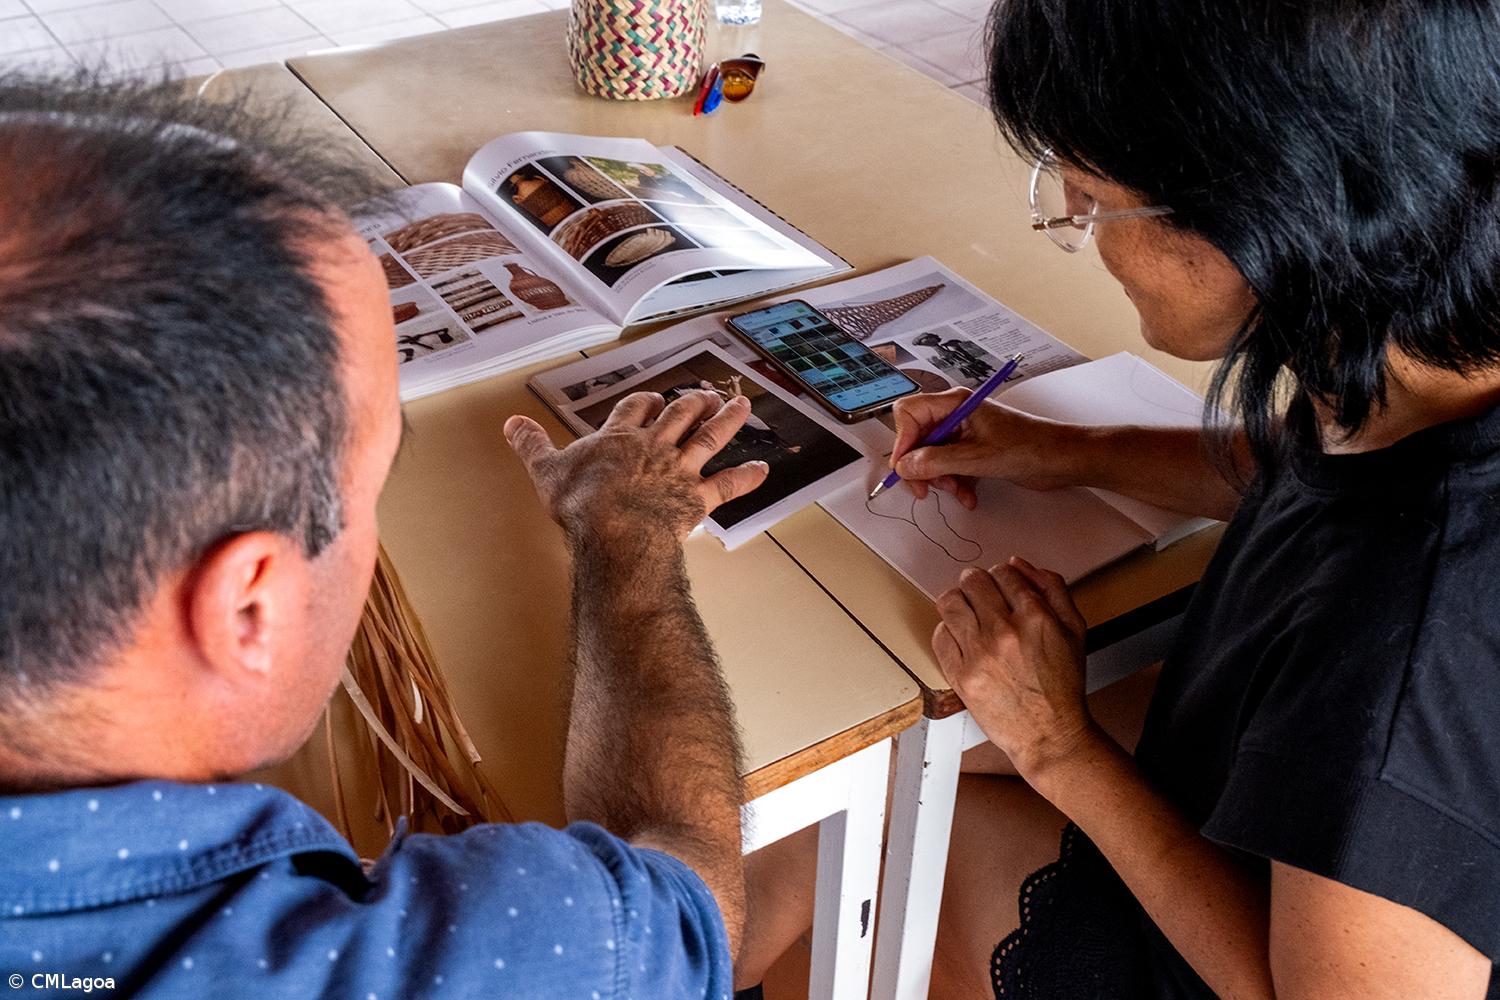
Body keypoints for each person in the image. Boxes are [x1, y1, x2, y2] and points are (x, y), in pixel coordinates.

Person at [735, 0, 1500, 996]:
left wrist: (1062, 748)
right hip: (1252, 772)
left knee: (873, 821)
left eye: (1094, 197)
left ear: (1270, 212)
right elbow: (1314, 470)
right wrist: (1064, 453)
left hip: (1228, 953)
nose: (1081, 227)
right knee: (905, 759)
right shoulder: (1416, 351)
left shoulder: (1416, 648)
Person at [0, 74, 770, 998]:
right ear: (248, 608)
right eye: (379, 480)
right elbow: (687, 906)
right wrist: (624, 531)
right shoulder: (446, 961)